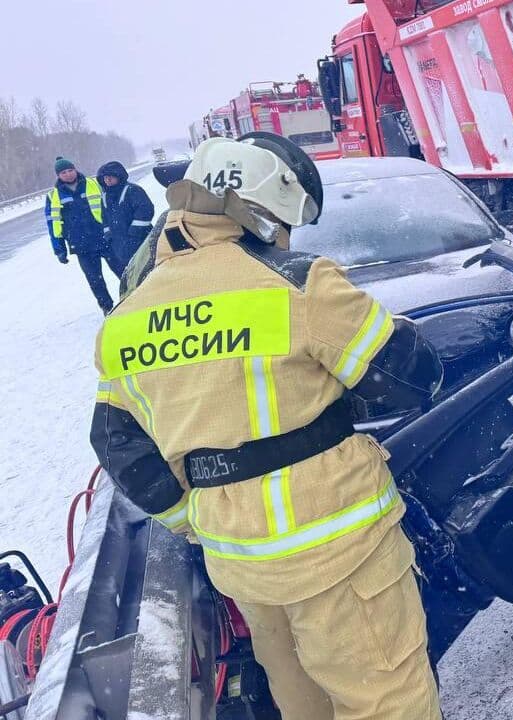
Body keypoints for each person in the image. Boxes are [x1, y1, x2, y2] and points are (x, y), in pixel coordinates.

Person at [89, 133, 444, 720]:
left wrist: (193, 520)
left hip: (241, 562)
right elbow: (412, 379)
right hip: (342, 550)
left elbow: (116, 441)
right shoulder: (299, 284)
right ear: (262, 210)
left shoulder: (125, 321)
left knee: (300, 698)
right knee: (389, 699)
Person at [45, 156, 121, 313]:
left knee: (123, 270)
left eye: (70, 170)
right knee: (95, 280)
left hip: (105, 238)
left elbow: (111, 206)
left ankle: (135, 297)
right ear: (58, 175)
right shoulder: (53, 196)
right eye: (63, 172)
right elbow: (53, 224)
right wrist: (59, 249)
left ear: (75, 169)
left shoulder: (93, 184)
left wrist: (117, 230)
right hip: (81, 246)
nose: (68, 174)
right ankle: (107, 307)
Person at [97, 161, 155, 269]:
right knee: (131, 273)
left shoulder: (132, 190)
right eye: (105, 177)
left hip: (141, 239)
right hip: (119, 244)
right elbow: (104, 217)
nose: (108, 180)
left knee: (148, 268)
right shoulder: (105, 196)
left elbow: (146, 210)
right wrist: (108, 233)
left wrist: (134, 232)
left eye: (111, 176)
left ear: (119, 176)